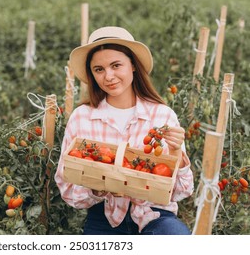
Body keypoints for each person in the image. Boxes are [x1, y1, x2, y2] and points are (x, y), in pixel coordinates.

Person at [55, 26, 194, 235]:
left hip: (155, 215)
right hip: (103, 218)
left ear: (133, 66)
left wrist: (175, 154)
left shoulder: (162, 116)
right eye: (99, 69)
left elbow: (182, 192)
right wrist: (96, 188)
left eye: (116, 65)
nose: (108, 76)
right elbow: (66, 186)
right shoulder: (82, 117)